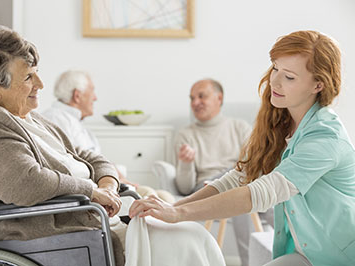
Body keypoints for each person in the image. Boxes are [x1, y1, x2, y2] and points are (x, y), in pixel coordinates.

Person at [130, 30, 355, 266]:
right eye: (275, 68)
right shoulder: (279, 124)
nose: (274, 81)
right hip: (307, 254)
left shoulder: (325, 137)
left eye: (289, 77)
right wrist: (173, 207)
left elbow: (261, 192)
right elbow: (239, 178)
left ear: (318, 85)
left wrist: (179, 214)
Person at [0, 25, 126, 265]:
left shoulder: (32, 119)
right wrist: (91, 191)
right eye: (28, 77)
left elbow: (86, 157)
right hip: (55, 238)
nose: (40, 83)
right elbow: (26, 183)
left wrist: (108, 184)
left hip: (88, 228)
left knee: (178, 233)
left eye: (36, 72)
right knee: (178, 239)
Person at [175, 78, 271, 266]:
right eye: (192, 98)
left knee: (261, 194)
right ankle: (251, 262)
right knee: (242, 191)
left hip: (241, 180)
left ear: (219, 98)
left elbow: (254, 165)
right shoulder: (185, 135)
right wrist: (186, 164)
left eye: (201, 96)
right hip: (205, 187)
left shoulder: (240, 128)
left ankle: (300, 250)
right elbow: (185, 188)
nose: (195, 102)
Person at [42, 70, 175, 203]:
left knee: (163, 197)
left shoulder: (74, 122)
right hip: (91, 191)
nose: (95, 98)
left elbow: (94, 158)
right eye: (92, 91)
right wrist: (112, 181)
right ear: (77, 96)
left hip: (104, 184)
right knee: (157, 197)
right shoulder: (57, 119)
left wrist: (117, 176)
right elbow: (74, 165)